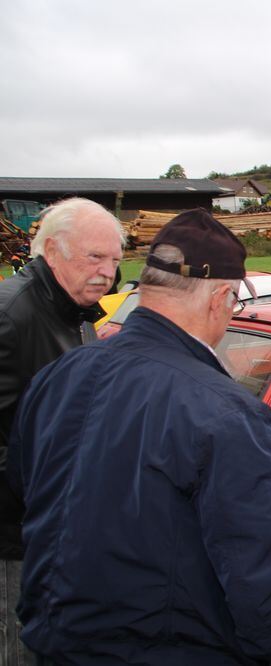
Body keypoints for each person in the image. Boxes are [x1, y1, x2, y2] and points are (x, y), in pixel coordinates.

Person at [7, 210, 271, 664]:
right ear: (220, 298)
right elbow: (256, 565)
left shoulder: (59, 374)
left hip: (55, 638)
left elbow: (26, 488)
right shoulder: (228, 414)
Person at [0, 197, 123, 663]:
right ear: (51, 251)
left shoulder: (75, 315)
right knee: (19, 647)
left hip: (56, 530)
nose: (107, 272)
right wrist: (46, 488)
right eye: (94, 257)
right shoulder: (11, 317)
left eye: (114, 260)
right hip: (14, 540)